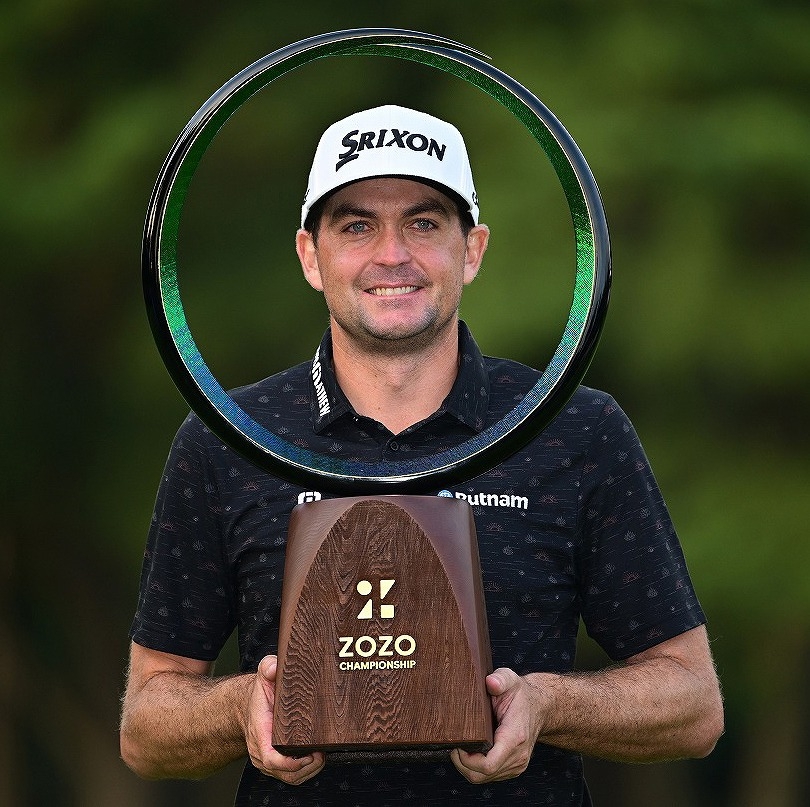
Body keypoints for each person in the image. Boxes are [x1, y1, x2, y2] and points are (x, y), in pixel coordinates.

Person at [120, 104, 723, 806]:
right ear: (310, 256)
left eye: (425, 223)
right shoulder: (226, 438)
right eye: (356, 226)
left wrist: (545, 705)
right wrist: (240, 709)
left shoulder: (577, 429)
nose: (392, 255)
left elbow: (693, 703)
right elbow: (145, 727)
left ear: (473, 249)